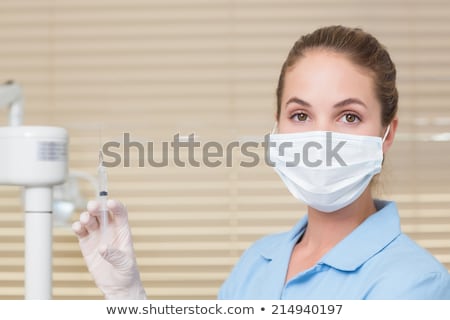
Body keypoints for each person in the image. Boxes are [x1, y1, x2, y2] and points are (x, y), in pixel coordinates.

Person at [72, 25, 450, 299]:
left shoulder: (413, 284)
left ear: (388, 134)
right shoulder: (258, 262)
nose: (320, 141)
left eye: (348, 116)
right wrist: (127, 297)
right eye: (300, 116)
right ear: (277, 127)